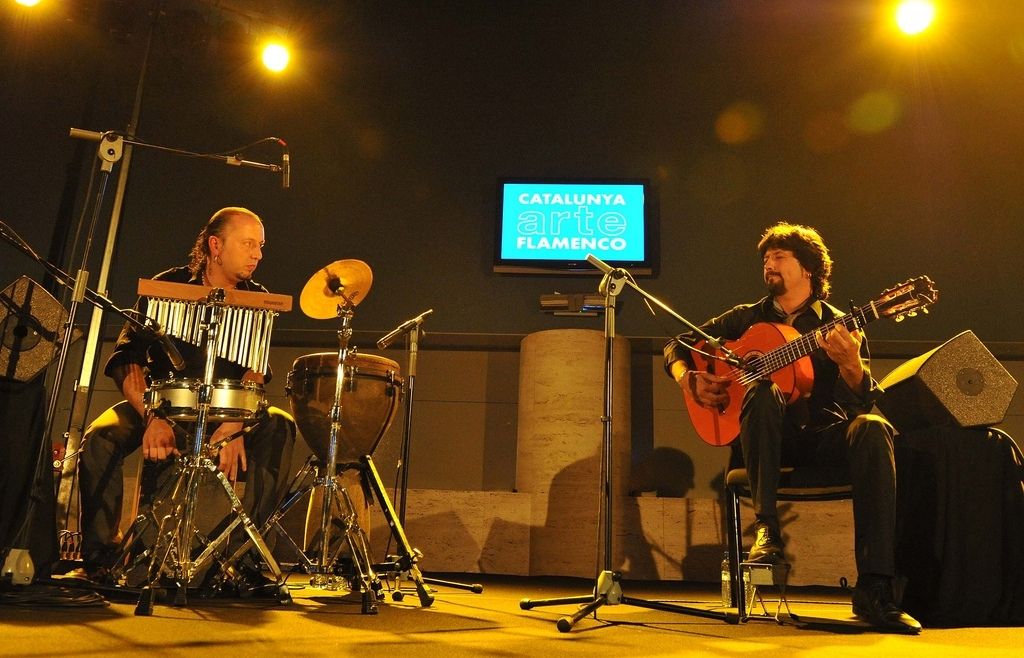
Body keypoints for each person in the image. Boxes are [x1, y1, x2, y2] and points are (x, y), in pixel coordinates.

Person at [663, 221, 920, 634]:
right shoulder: (744, 319)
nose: (768, 264)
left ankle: (875, 588)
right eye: (766, 258)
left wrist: (852, 366)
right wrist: (687, 378)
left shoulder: (843, 325)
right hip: (765, 442)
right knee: (763, 391)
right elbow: (677, 344)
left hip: (820, 439)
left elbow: (860, 402)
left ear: (810, 270)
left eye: (779, 257)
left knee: (872, 426)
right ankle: (767, 533)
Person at [77, 207, 295, 590]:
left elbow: (256, 372)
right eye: (248, 244)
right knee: (100, 436)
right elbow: (126, 360)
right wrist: (152, 416)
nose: (258, 254)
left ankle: (245, 557)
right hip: (162, 408)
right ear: (215, 245)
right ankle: (101, 559)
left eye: (260, 246)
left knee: (279, 425)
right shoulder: (168, 287)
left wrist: (233, 425)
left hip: (224, 413)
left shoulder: (257, 300)